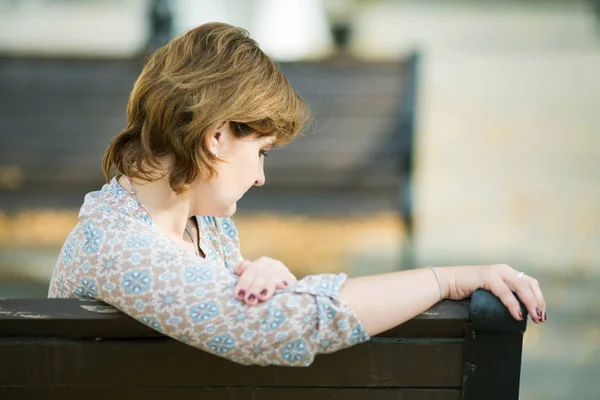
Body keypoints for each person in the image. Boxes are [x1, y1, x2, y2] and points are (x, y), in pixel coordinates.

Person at [48, 22, 546, 366]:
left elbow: (245, 315)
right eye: (261, 150)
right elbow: (279, 327)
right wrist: (448, 279)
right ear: (216, 136)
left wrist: (275, 283)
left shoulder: (207, 230)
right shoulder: (114, 245)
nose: (262, 177)